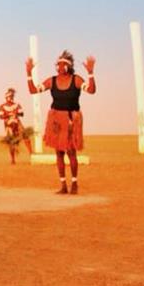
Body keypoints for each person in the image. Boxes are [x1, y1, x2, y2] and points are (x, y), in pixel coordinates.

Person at [26, 51, 96, 194]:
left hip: (71, 119)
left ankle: (74, 183)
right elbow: (33, 90)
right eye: (58, 64)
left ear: (69, 66)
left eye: (63, 64)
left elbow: (91, 90)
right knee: (59, 153)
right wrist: (28, 74)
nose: (60, 67)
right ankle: (63, 185)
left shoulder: (76, 80)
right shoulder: (51, 81)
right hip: (56, 119)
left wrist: (90, 73)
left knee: (71, 151)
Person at [0, 87, 32, 164]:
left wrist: (16, 114)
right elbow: (0, 116)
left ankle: (31, 154)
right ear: (6, 97)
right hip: (8, 124)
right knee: (11, 141)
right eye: (9, 97)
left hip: (17, 122)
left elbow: (22, 113)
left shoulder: (17, 105)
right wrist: (9, 115)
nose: (10, 98)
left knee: (26, 137)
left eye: (12, 97)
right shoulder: (2, 106)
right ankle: (12, 159)